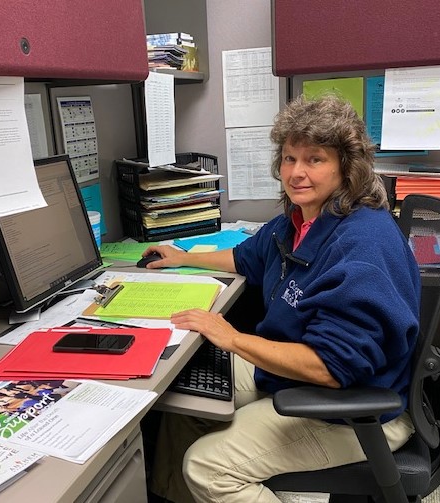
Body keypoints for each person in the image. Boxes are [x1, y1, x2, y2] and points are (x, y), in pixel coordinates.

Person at [143, 94, 421, 503]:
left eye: (315, 159)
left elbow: (331, 367)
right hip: (299, 369)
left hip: (356, 408)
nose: (296, 172)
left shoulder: (363, 244)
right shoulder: (301, 220)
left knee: (207, 466)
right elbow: (248, 256)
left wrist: (232, 337)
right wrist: (183, 258)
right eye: (290, 158)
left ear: (347, 166)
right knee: (186, 399)